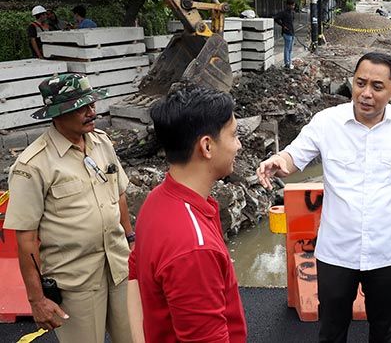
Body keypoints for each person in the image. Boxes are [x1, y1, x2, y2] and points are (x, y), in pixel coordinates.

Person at [257, 52, 391, 343]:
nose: (366, 93)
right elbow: (294, 155)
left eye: (376, 86)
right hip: (336, 252)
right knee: (332, 331)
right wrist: (279, 161)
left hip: (388, 251)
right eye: (360, 83)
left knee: (384, 331)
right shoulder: (326, 122)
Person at [4, 74, 134, 342]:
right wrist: (37, 299)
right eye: (80, 107)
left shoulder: (102, 142)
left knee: (135, 338)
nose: (91, 111)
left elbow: (119, 193)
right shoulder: (33, 165)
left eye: (91, 104)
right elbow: (25, 237)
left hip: (119, 267)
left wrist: (132, 243)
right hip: (76, 282)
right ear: (57, 115)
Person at [128, 85, 247, 342]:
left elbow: (134, 277)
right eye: (234, 135)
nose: (238, 145)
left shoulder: (156, 200)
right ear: (207, 146)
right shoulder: (195, 248)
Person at [274, 0, 296, 69]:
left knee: (290, 49)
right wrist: (283, 26)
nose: (293, 6)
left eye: (293, 5)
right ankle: (287, 63)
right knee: (287, 48)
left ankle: (290, 62)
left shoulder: (292, 13)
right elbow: (276, 18)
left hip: (292, 32)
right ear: (288, 5)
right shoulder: (283, 13)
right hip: (286, 32)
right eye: (292, 5)